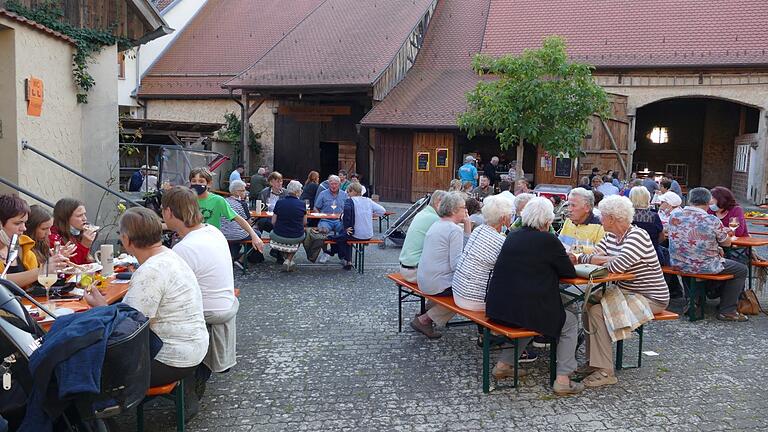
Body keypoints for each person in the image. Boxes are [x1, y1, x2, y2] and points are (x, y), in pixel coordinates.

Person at [85, 207, 209, 390]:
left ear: (126, 240)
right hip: (192, 347)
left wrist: (102, 308)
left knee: (86, 367)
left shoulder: (150, 271)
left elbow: (130, 330)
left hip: (171, 359)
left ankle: (93, 414)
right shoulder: (169, 255)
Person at [486, 197, 583, 395]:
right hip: (522, 308)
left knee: (527, 315)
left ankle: (504, 365)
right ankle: (563, 379)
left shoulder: (513, 235)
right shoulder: (548, 240)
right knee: (570, 322)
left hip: (498, 307)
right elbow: (569, 273)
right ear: (548, 221)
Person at [576, 195, 669, 387]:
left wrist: (602, 259)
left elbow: (617, 266)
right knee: (589, 303)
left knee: (598, 311)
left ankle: (605, 371)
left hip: (651, 297)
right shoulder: (612, 236)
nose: (600, 219)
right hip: (625, 292)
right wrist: (603, 258)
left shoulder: (637, 236)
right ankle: (594, 363)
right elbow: (590, 256)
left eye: (602, 216)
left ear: (612, 218)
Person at [160, 187, 238, 397]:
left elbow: (168, 293)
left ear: (168, 212)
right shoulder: (212, 231)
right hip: (224, 305)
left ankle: (182, 378)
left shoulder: (185, 248)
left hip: (207, 313)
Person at [668, 188, 748, 322]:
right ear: (708, 201)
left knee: (693, 262)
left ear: (689, 199)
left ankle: (695, 300)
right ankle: (727, 310)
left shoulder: (674, 216)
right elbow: (727, 243)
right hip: (704, 265)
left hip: (678, 263)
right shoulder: (711, 220)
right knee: (741, 269)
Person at [410, 192, 471, 339]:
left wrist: (467, 225)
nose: (466, 211)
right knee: (466, 295)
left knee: (455, 287)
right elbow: (456, 264)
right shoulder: (454, 229)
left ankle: (425, 314)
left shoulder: (437, 224)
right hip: (436, 284)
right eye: (464, 208)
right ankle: (424, 320)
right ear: (454, 210)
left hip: (424, 279)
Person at [452, 195, 513, 311]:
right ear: (504, 218)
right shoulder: (501, 242)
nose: (511, 216)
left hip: (457, 291)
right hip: (473, 300)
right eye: (510, 214)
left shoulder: (479, 230)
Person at [188, 167, 264, 254]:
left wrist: (254, 235)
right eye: (194, 181)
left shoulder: (217, 200)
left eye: (201, 181)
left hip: (211, 241)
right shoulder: (188, 199)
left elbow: (237, 218)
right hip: (193, 241)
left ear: (209, 184)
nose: (197, 184)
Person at [0, 195, 66, 288]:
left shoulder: (25, 249)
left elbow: (35, 287)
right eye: (17, 223)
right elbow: (2, 281)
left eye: (24, 222)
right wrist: (42, 270)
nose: (23, 228)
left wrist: (55, 265)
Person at [333, 183, 386, 270]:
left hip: (356, 235)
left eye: (349, 191)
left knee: (342, 236)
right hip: (368, 235)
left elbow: (344, 216)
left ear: (353, 191)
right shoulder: (368, 200)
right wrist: (372, 215)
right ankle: (347, 260)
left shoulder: (350, 201)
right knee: (346, 235)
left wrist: (345, 224)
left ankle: (347, 260)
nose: (348, 194)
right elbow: (382, 210)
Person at [398, 190, 447, 282]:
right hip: (415, 272)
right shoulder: (435, 219)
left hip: (404, 267)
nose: (448, 209)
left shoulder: (423, 213)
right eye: (446, 205)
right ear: (438, 202)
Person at [271, 180, 308, 271]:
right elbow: (304, 222)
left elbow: (273, 221)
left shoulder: (279, 202)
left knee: (273, 232)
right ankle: (288, 259)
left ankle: (285, 257)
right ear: (297, 192)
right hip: (296, 236)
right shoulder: (302, 204)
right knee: (302, 235)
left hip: (278, 235)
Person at [50, 198, 97, 265]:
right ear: (66, 218)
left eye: (84, 214)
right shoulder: (53, 237)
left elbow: (86, 264)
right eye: (79, 215)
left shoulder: (78, 233)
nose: (85, 219)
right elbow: (72, 267)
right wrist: (84, 244)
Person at [220, 180, 256, 265]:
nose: (245, 192)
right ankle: (241, 260)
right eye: (243, 190)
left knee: (235, 232)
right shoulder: (242, 204)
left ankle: (231, 256)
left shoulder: (223, 201)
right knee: (257, 235)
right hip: (237, 234)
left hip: (223, 233)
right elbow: (248, 223)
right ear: (236, 192)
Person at [314, 175, 349, 262]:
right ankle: (325, 252)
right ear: (328, 184)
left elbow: (348, 208)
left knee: (346, 232)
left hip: (339, 220)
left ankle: (343, 256)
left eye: (335, 184)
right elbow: (316, 207)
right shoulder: (323, 194)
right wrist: (319, 216)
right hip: (326, 220)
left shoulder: (344, 195)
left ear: (339, 184)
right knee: (322, 231)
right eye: (331, 184)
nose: (333, 186)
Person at [629, 186, 664, 251]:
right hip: (651, 250)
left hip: (630, 250)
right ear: (647, 198)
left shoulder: (626, 216)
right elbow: (661, 236)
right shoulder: (654, 216)